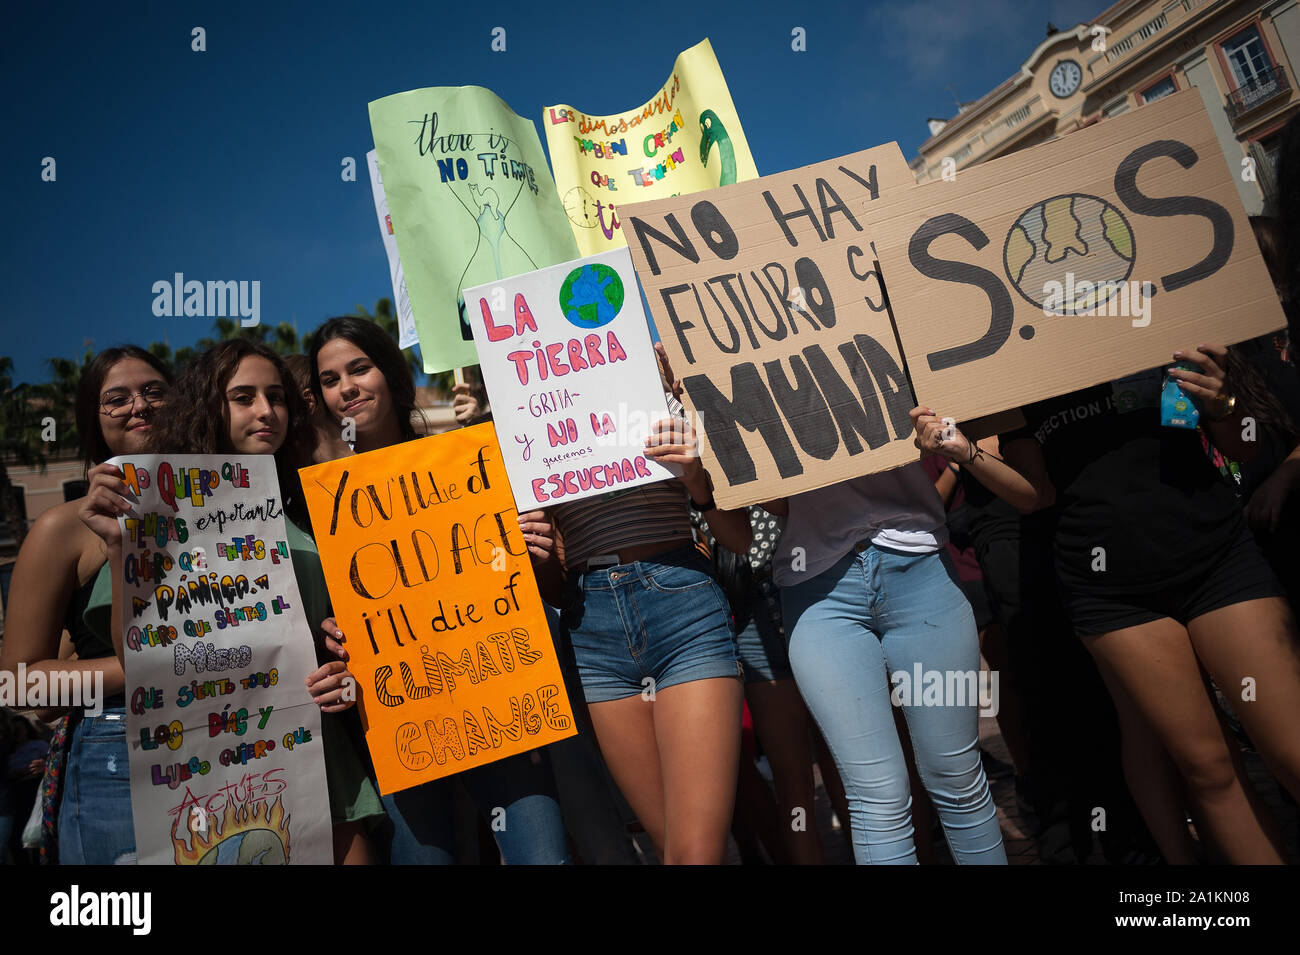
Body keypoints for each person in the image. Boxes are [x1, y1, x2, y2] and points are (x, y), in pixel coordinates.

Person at [914, 343, 1300, 864]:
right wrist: (966, 455)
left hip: (1214, 558)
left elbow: (1241, 448)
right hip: (1112, 594)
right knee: (1208, 767)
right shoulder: (1013, 366)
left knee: (1289, 748)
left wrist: (1222, 403)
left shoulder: (1157, 325)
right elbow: (1036, 495)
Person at [79, 339, 385, 863]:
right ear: (209, 408)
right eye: (243, 397)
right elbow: (139, 660)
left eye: (277, 396)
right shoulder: (152, 508)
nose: (266, 412)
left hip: (320, 761)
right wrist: (116, 547)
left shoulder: (307, 506)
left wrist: (342, 671)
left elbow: (328, 637)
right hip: (215, 778)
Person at [308, 316, 572, 864]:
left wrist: (537, 553)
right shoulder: (319, 503)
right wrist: (329, 633)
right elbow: (326, 610)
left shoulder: (468, 465)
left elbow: (541, 587)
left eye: (360, 368)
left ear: (392, 375)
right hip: (399, 720)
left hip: (500, 701)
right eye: (331, 380)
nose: (348, 388)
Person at [764, 461, 1007, 864]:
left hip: (920, 567)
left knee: (958, 778)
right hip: (818, 588)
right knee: (876, 796)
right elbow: (776, 502)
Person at [0, 345, 172, 864]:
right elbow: (19, 684)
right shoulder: (62, 528)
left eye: (154, 391)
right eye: (116, 399)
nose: (139, 406)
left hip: (234, 741)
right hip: (119, 758)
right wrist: (147, 666)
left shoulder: (235, 507)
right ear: (93, 425)